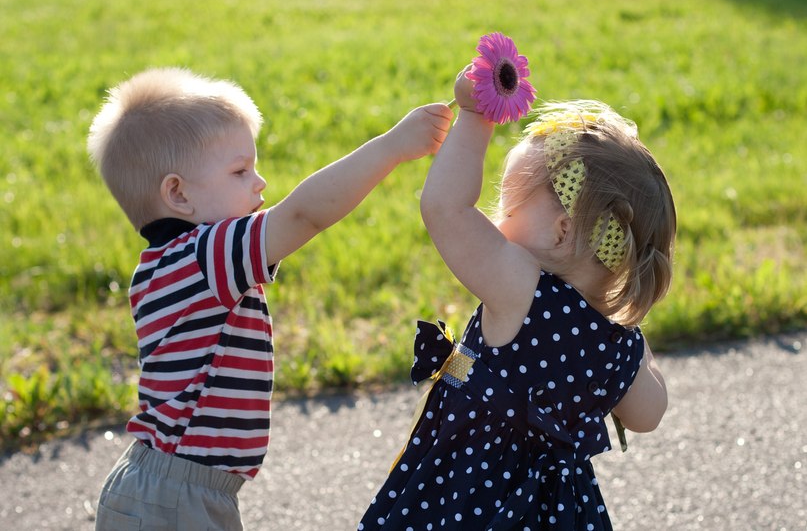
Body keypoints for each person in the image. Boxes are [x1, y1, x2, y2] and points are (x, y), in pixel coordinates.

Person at [86, 67, 452, 530]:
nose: (259, 183)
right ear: (177, 194)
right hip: (177, 499)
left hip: (171, 491)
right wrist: (392, 146)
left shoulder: (176, 263)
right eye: (240, 171)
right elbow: (303, 215)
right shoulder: (202, 257)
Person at [359, 66, 675, 530]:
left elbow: (445, 208)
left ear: (561, 231)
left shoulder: (523, 289)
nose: (494, 223)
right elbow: (649, 414)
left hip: (464, 504)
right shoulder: (614, 344)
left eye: (507, 207)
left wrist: (474, 117)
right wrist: (628, 329)